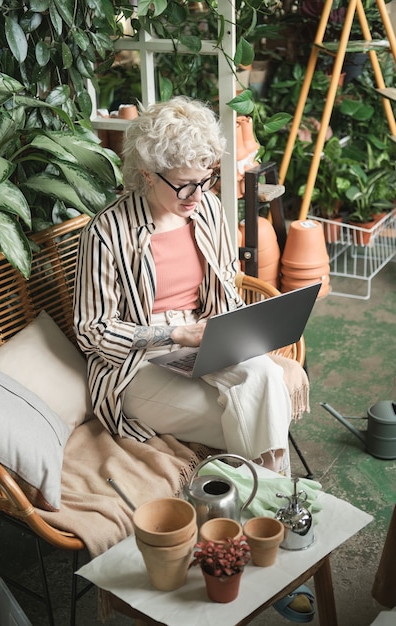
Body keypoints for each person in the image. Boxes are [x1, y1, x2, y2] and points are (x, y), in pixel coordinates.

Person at [73, 96, 309, 474]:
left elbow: (225, 286)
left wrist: (243, 336)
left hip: (207, 338)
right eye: (185, 185)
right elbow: (92, 331)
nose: (197, 195)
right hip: (136, 365)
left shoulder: (208, 209)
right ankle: (277, 508)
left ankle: (265, 510)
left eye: (206, 179)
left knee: (263, 377)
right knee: (259, 413)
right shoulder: (106, 232)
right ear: (149, 173)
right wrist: (173, 333)